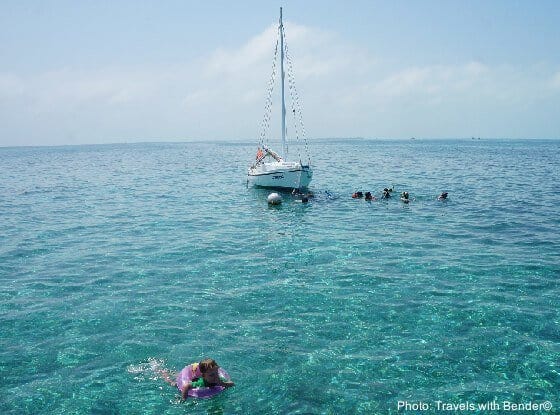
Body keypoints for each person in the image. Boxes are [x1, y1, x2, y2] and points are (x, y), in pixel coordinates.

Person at [161, 358, 235, 400]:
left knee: (178, 375)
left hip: (198, 378)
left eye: (216, 373)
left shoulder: (219, 379)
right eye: (212, 375)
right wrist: (183, 399)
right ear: (203, 376)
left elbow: (232, 384)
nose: (215, 376)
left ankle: (175, 373)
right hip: (186, 383)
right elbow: (186, 386)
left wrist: (223, 384)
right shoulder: (201, 382)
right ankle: (164, 373)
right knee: (173, 383)